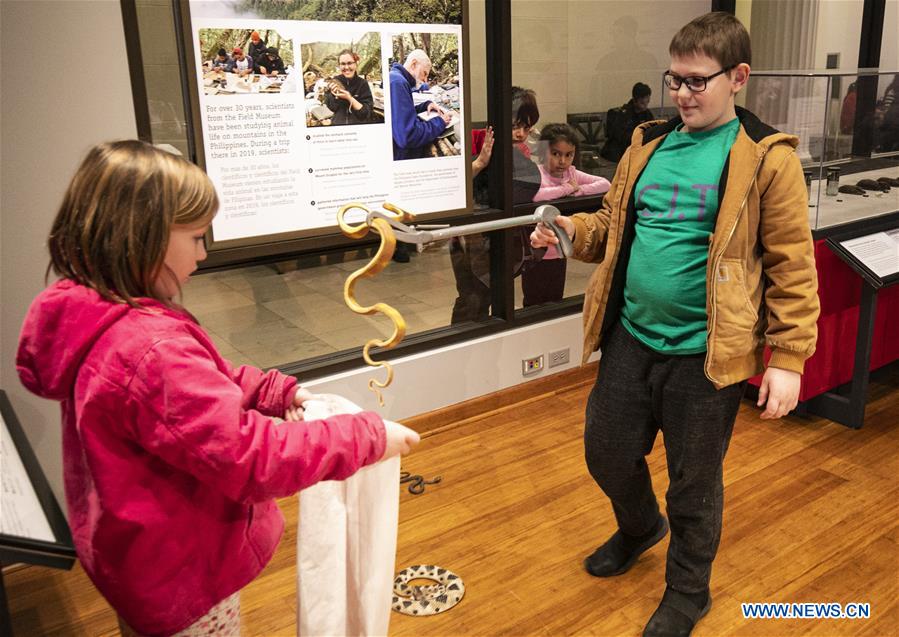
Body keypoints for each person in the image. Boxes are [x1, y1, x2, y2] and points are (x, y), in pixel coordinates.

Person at [15, 140, 420, 636]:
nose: (203, 254)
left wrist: (275, 392)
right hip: (183, 575)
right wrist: (367, 438)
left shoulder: (102, 315)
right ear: (141, 238)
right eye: (196, 237)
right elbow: (250, 456)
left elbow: (201, 385)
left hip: (139, 558)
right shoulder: (149, 348)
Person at [531, 12, 818, 637]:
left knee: (694, 483)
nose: (682, 94)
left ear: (738, 77)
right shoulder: (648, 145)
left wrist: (790, 359)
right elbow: (609, 225)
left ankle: (688, 593)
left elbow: (794, 265)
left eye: (696, 81)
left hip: (706, 354)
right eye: (674, 80)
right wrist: (567, 229)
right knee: (606, 452)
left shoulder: (767, 159)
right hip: (631, 337)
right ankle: (639, 526)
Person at [449, 87, 542, 323]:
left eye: (526, 127)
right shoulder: (479, 141)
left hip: (499, 237)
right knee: (471, 297)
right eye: (514, 126)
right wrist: (480, 162)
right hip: (471, 237)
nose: (520, 133)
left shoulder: (520, 152)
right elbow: (455, 186)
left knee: (488, 295)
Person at [525, 123, 611, 307]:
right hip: (536, 252)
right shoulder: (537, 173)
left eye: (568, 155)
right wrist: (566, 188)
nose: (562, 161)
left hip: (558, 251)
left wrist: (577, 190)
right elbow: (536, 195)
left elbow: (605, 184)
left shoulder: (571, 173)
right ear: (543, 152)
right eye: (556, 154)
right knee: (533, 301)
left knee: (555, 297)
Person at [389, 49, 451, 161]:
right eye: (425, 73)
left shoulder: (396, 78)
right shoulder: (399, 83)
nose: (425, 80)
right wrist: (440, 122)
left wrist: (425, 105)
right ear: (414, 64)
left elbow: (399, 114)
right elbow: (407, 136)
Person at [600, 82, 654, 163]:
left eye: (647, 101)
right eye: (642, 102)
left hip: (640, 150)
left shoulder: (647, 114)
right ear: (635, 99)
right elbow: (621, 137)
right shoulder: (623, 115)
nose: (645, 104)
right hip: (622, 152)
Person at [324, 49, 374, 126]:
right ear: (339, 66)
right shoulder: (334, 80)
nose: (346, 67)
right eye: (343, 64)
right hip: (338, 125)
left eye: (350, 63)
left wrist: (349, 98)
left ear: (356, 64)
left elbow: (366, 113)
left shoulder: (363, 83)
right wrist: (333, 95)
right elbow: (332, 108)